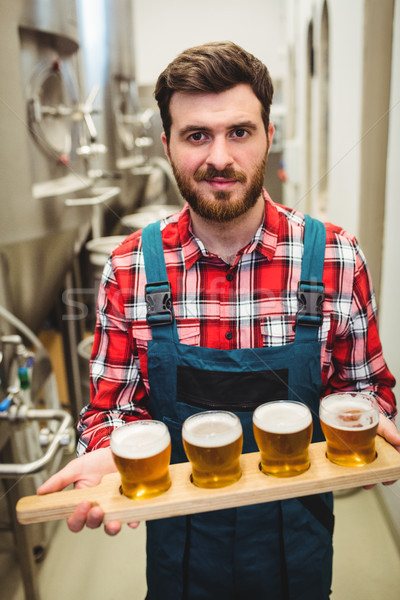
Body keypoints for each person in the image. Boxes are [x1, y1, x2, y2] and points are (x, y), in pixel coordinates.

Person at [39, 41, 399, 599]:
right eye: (196, 135)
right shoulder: (130, 267)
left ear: (268, 136)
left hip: (297, 546)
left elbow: (365, 388)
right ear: (167, 146)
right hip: (180, 548)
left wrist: (370, 418)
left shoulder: (335, 257)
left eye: (239, 131)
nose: (220, 158)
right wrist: (109, 450)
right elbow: (112, 405)